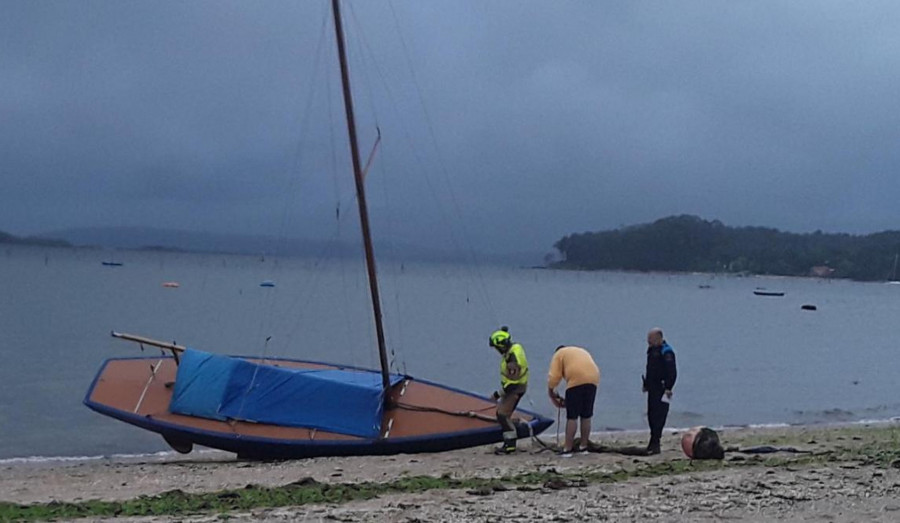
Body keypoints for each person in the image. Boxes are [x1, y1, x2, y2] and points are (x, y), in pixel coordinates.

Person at [547, 345, 600, 457]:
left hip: (576, 380)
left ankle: (568, 449)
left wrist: (551, 392)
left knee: (572, 416)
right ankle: (583, 447)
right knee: (586, 415)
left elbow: (554, 376)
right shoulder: (578, 350)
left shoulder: (559, 354)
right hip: (593, 378)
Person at [488, 326, 529, 454]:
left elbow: (513, 382)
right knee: (503, 414)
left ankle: (510, 445)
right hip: (515, 387)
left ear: (502, 346)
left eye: (497, 347)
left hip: (515, 389)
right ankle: (512, 435)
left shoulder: (512, 359)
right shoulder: (516, 348)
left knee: (502, 415)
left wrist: (497, 394)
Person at [642, 327, 677, 455]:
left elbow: (672, 372)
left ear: (659, 338)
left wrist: (669, 387)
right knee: (651, 414)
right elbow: (650, 369)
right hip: (652, 387)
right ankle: (653, 440)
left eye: (650, 340)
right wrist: (646, 383)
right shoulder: (651, 350)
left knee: (659, 415)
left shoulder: (666, 352)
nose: (648, 342)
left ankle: (655, 441)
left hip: (662, 389)